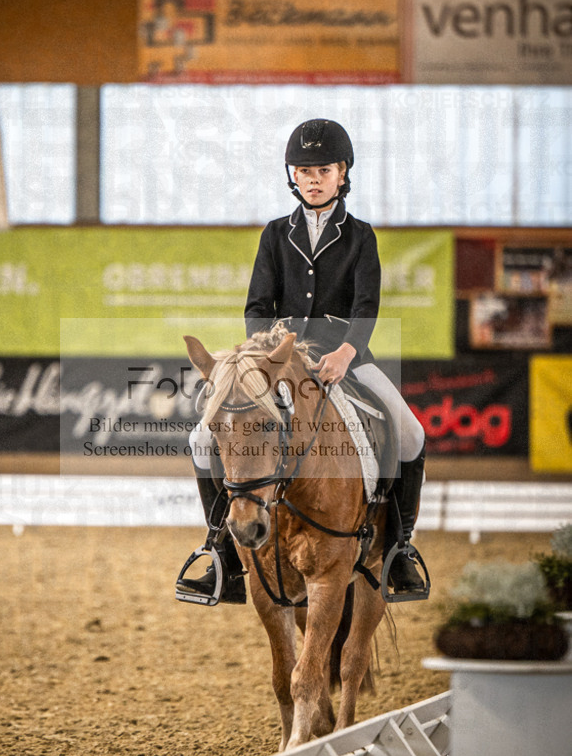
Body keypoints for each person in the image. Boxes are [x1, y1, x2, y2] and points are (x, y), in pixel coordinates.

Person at [177, 117, 427, 604]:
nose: (313, 179)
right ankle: (222, 551)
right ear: (293, 175)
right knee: (202, 437)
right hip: (280, 361)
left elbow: (366, 305)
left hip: (347, 357)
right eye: (305, 171)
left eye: (323, 170)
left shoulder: (361, 236)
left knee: (412, 434)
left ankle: (400, 549)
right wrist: (266, 358)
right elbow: (257, 306)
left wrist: (347, 351)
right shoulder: (275, 234)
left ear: (342, 173)